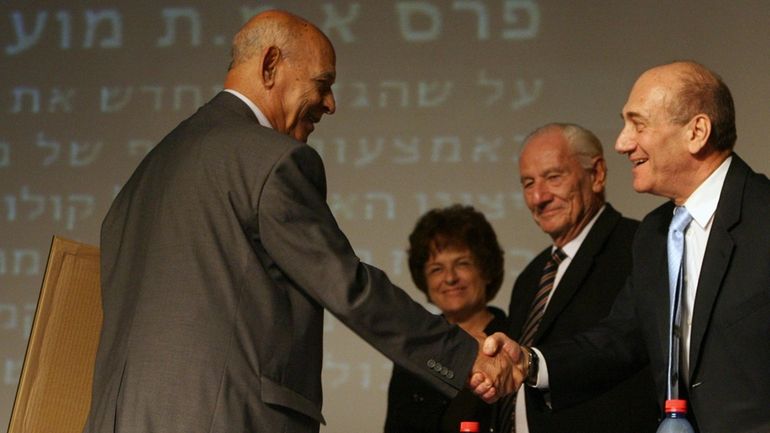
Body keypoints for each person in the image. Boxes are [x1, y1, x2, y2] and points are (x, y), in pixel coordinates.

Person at [82, 10, 520, 433]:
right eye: (323, 84)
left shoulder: (141, 178)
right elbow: (347, 285)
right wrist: (465, 357)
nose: (330, 104)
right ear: (271, 64)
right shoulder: (270, 160)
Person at [486, 61, 770, 433]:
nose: (622, 143)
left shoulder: (763, 218)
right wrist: (528, 363)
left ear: (696, 132)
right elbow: (620, 339)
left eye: (638, 124)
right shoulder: (655, 234)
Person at [493, 123, 658, 433]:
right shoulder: (530, 277)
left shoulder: (637, 248)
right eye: (528, 183)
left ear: (596, 174)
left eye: (553, 177)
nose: (539, 196)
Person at [385, 205, 508, 433]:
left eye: (462, 263)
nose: (450, 278)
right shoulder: (415, 346)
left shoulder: (513, 340)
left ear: (487, 270)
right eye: (436, 269)